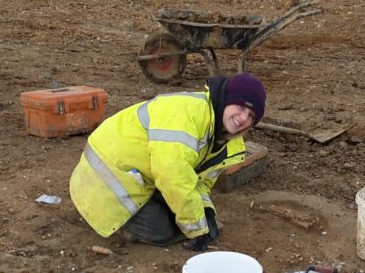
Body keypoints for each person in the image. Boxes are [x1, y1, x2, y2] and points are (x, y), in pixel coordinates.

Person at [68, 72, 266, 251]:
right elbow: (172, 175)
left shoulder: (228, 142)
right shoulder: (188, 114)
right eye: (240, 107)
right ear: (226, 100)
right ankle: (122, 224)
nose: (242, 118)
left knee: (185, 214)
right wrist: (197, 229)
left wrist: (207, 211)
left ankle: (155, 206)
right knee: (161, 230)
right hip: (107, 179)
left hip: (140, 173)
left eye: (251, 116)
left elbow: (200, 183)